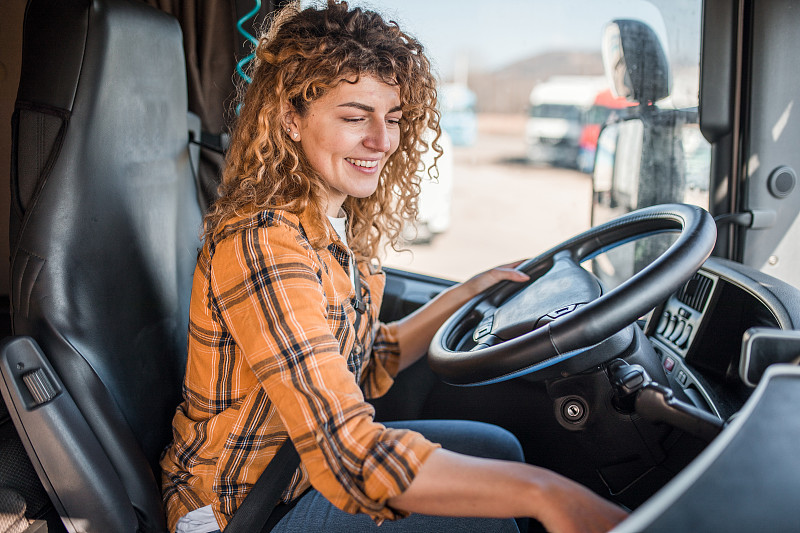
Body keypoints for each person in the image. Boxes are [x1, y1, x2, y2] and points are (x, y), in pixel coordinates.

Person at [159, 2, 629, 532]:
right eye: (355, 117)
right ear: (291, 118)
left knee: (498, 447)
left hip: (298, 478)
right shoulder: (263, 245)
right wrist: (547, 495)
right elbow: (348, 451)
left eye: (395, 118)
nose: (382, 141)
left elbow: (371, 357)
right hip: (241, 509)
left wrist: (473, 290)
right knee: (496, 505)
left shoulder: (333, 229)